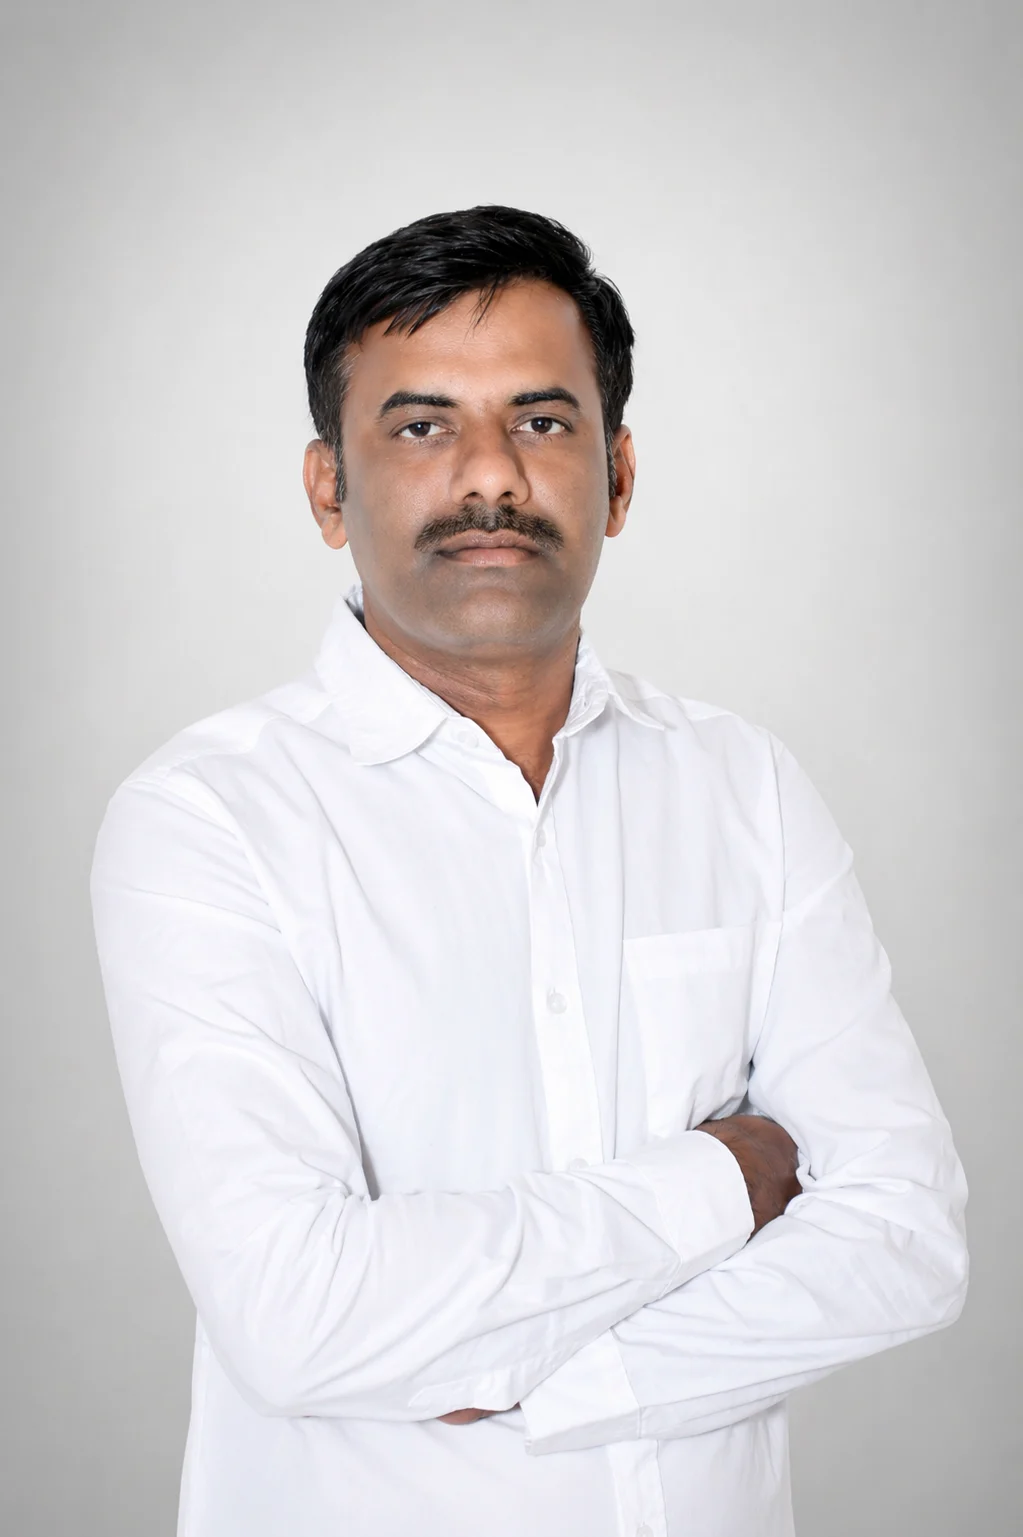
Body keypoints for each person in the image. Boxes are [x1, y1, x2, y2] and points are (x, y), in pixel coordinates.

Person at [90, 205, 968, 1537]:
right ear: (328, 488)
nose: (489, 475)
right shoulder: (208, 820)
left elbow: (906, 1240)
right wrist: (721, 1179)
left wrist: (527, 1382)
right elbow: (299, 1317)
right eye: (420, 425)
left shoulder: (743, 788)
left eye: (543, 420)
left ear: (617, 477)